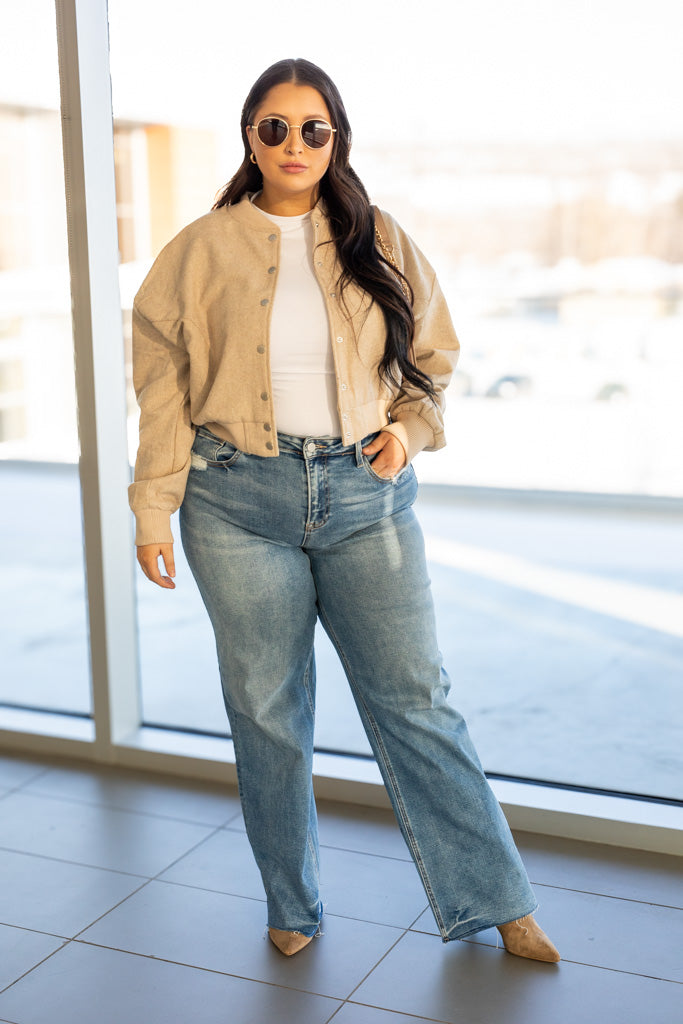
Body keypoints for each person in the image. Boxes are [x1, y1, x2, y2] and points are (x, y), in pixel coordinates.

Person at [129, 58, 560, 964]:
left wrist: (409, 428)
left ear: (338, 139)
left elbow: (433, 354)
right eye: (274, 127)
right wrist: (152, 508)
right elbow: (160, 384)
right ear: (249, 137)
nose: (293, 145)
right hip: (234, 498)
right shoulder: (199, 248)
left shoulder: (379, 237)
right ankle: (292, 904)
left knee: (416, 702)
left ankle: (497, 900)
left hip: (368, 495)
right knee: (265, 710)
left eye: (312, 128)